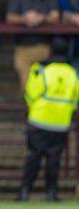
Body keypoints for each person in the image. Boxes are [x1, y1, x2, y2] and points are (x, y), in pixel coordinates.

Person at [17, 37, 79, 202]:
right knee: (54, 160)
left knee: (33, 158)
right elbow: (75, 100)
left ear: (50, 51)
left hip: (38, 121)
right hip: (61, 123)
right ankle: (51, 193)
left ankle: (24, 192)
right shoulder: (72, 73)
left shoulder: (40, 70)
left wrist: (35, 109)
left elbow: (30, 94)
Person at [6, 0, 59, 91]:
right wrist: (25, 18)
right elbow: (10, 17)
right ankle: (28, 102)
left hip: (44, 47)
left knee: (43, 82)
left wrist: (41, 18)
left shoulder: (50, 0)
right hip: (23, 47)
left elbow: (55, 16)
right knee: (26, 83)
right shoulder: (18, 0)